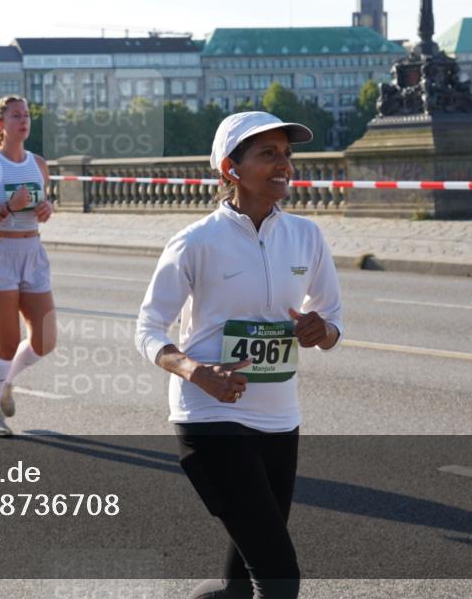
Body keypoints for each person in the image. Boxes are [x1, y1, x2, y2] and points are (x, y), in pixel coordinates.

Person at [135, 111, 344, 598]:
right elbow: (147, 328)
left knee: (237, 585)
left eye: (287, 155)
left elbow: (333, 320)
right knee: (278, 575)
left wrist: (322, 330)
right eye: (267, 154)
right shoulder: (195, 243)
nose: (283, 165)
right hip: (210, 418)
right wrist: (193, 370)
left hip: (279, 421)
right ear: (231, 168)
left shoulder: (306, 236)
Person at [0, 96, 56, 436]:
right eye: (16, 115)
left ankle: (6, 381)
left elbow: (41, 205)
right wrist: (6, 207)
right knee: (6, 344)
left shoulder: (39, 164)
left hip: (32, 252)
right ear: (1, 124)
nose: (24, 120)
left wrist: (46, 210)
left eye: (27, 115)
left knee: (45, 339)